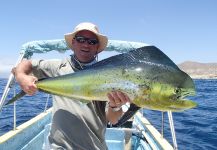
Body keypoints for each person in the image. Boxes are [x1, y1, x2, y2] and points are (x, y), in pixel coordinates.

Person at [13, 22, 131, 150]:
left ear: (97, 47)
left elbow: (113, 120)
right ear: (73, 43)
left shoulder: (108, 75)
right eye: (81, 39)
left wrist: (115, 106)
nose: (86, 44)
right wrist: (21, 76)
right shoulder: (58, 67)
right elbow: (25, 64)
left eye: (92, 41)